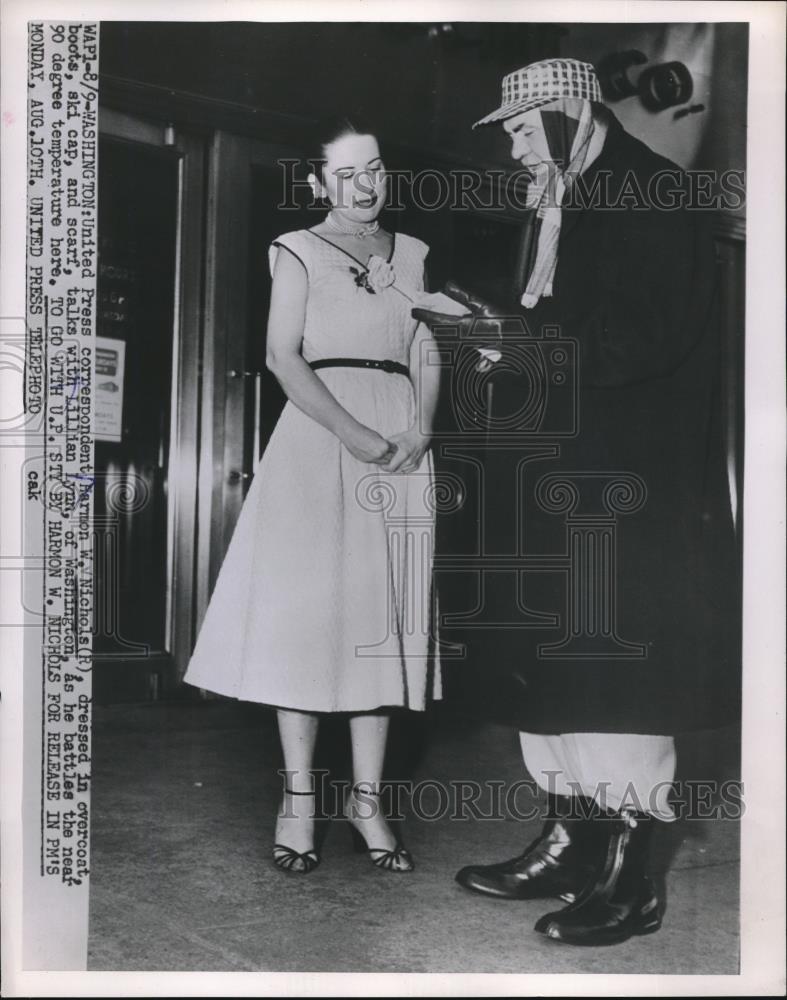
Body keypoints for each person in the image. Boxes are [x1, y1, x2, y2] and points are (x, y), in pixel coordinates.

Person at [414, 59, 740, 944]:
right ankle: (568, 841)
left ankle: (633, 879)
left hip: (622, 484)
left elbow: (642, 338)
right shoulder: (560, 201)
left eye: (524, 129)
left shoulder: (652, 193)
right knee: (549, 661)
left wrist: (516, 341)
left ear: (568, 113)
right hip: (555, 470)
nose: (516, 148)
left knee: (615, 680)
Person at [184, 118, 442, 875]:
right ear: (318, 183)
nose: (366, 186)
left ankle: (368, 800)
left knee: (380, 616)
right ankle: (298, 797)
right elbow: (281, 355)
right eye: (348, 174)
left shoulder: (415, 253)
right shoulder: (296, 249)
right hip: (321, 431)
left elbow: (426, 346)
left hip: (400, 437)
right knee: (308, 618)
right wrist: (354, 433)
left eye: (377, 170)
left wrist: (421, 428)